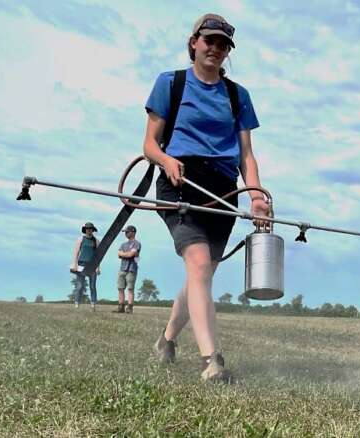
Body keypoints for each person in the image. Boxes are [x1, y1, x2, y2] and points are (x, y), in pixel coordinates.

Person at [143, 13, 269, 381]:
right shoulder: (171, 83)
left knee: (201, 274)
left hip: (224, 188)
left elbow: (246, 154)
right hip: (180, 181)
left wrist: (256, 194)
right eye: (209, 40)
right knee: (198, 264)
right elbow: (149, 144)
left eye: (223, 44)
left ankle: (166, 340)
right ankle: (212, 360)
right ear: (194, 42)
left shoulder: (237, 95)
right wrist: (166, 159)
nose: (215, 48)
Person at [70, 222, 101, 312]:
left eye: (90, 229)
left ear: (93, 230)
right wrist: (75, 264)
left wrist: (98, 267)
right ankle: (77, 303)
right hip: (81, 264)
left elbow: (98, 256)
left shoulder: (96, 241)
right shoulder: (80, 239)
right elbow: (76, 253)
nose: (89, 230)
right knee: (80, 285)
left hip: (92, 265)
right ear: (85, 230)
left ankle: (93, 303)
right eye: (87, 229)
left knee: (92, 286)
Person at [114, 225, 141, 314]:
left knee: (130, 289)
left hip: (131, 269)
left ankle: (129, 308)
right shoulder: (123, 244)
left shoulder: (137, 243)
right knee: (120, 288)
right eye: (125, 232)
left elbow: (130, 255)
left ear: (133, 232)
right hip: (122, 268)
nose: (125, 233)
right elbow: (118, 254)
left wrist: (124, 254)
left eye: (127, 232)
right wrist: (128, 254)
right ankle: (121, 307)